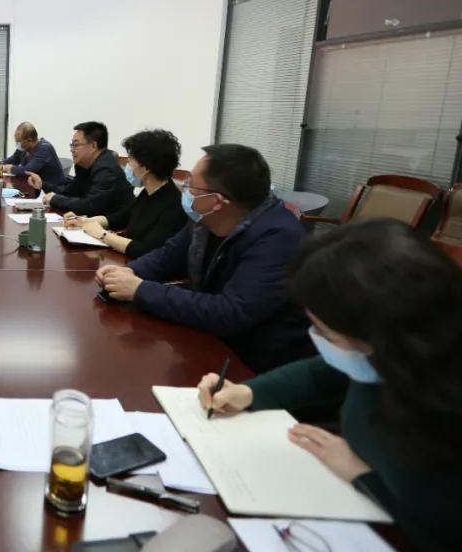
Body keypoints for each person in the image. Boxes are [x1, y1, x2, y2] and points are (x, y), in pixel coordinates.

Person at [196, 220, 462, 551]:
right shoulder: (383, 361)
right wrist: (250, 392)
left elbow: (443, 531)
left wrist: (359, 474)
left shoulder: (442, 417)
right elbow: (325, 372)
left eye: (328, 335)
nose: (317, 341)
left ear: (387, 338)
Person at [97, 144, 312, 373]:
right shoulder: (205, 219)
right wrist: (128, 273)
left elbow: (231, 312)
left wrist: (140, 290)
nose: (186, 191)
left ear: (216, 201)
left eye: (191, 186)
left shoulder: (279, 237)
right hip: (209, 340)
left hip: (254, 364)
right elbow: (167, 256)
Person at [65, 129, 187, 259]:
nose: (127, 165)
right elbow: (120, 218)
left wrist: (102, 235)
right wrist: (84, 221)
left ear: (146, 167)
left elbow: (145, 250)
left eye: (130, 160)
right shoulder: (148, 192)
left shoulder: (174, 205)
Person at [28, 121, 132, 217]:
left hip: (115, 228)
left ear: (93, 146)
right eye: (72, 145)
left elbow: (91, 206)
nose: (72, 150)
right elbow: (69, 192)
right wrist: (43, 185)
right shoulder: (84, 165)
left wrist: (56, 199)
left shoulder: (106, 169)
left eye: (76, 145)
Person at [0, 122, 65, 186]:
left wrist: (8, 168)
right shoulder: (24, 148)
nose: (17, 144)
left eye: (18, 141)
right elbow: (12, 160)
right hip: (32, 186)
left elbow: (28, 171)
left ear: (29, 140)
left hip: (51, 190)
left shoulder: (44, 149)